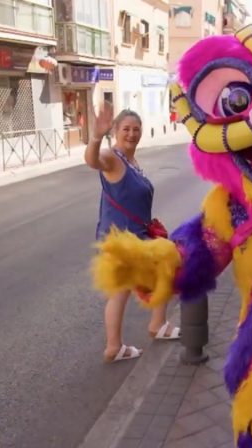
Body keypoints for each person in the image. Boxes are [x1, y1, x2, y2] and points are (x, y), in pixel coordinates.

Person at [85, 102, 180, 363]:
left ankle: (122, 342)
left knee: (134, 285)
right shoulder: (113, 158)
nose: (131, 134)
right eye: (126, 129)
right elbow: (93, 161)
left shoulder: (131, 160)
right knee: (164, 266)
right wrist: (95, 138)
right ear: (115, 131)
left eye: (136, 129)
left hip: (132, 237)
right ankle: (152, 327)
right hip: (122, 241)